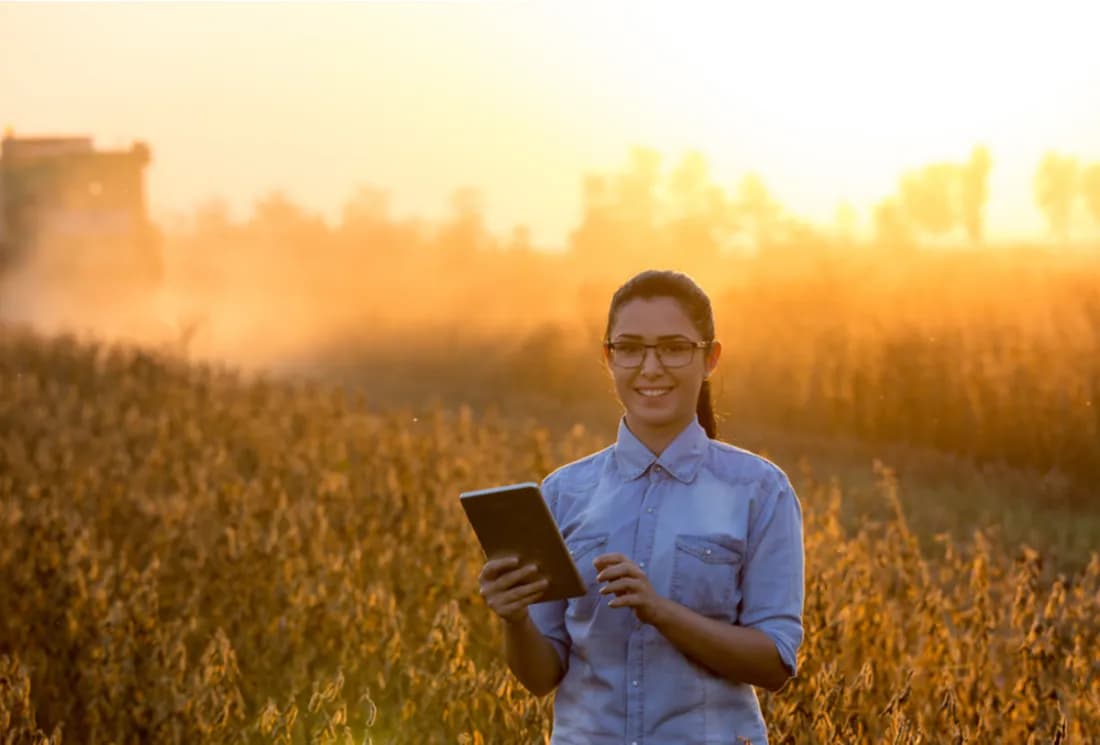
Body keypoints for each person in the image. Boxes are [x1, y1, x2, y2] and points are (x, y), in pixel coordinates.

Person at [478, 269, 804, 745]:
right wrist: (514, 619)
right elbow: (540, 676)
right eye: (629, 348)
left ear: (710, 358)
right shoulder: (563, 493)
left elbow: (774, 662)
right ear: (607, 358)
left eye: (673, 347)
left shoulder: (759, 490)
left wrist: (660, 611)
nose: (650, 368)